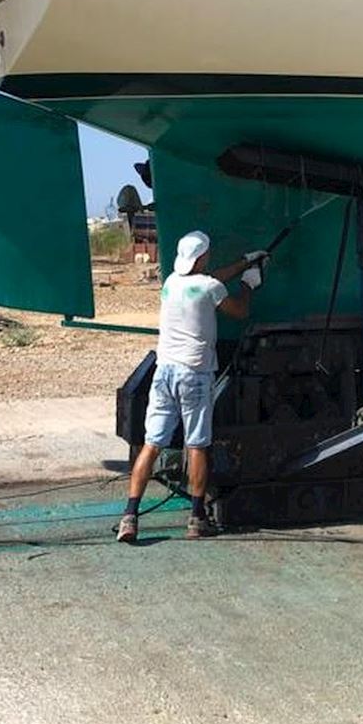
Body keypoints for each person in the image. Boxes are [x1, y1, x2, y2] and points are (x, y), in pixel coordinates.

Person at [116, 230, 266, 543]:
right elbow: (239, 311)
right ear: (202, 257)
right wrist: (249, 283)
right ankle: (197, 518)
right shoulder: (210, 287)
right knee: (197, 444)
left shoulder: (172, 283)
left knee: (152, 443)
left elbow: (208, 279)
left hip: (164, 372)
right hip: (194, 375)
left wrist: (244, 262)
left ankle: (129, 516)